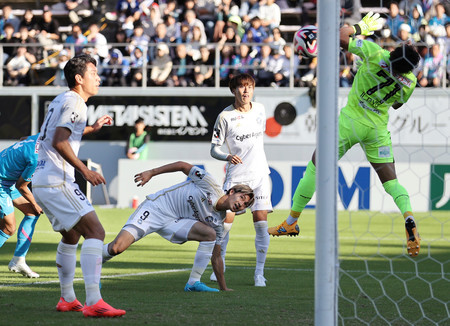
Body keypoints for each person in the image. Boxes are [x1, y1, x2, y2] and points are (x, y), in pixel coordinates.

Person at [268, 12, 422, 258]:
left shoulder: (374, 53)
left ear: (393, 54)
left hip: (349, 123)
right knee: (391, 181)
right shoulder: (410, 81)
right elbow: (396, 105)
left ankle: (291, 221)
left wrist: (359, 28)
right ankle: (409, 215)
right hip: (377, 130)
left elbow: (341, 37)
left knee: (315, 168)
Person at [31, 54, 126, 317]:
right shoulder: (76, 102)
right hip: (57, 180)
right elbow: (60, 141)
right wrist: (84, 170)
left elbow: (59, 133)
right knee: (96, 232)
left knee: (71, 235)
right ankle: (94, 301)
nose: (98, 77)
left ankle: (68, 299)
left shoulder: (63, 98)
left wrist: (92, 128)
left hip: (42, 179)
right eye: (93, 72)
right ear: (79, 78)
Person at [102, 161, 255, 292]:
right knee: (117, 248)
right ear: (232, 191)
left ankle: (193, 283)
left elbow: (216, 257)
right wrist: (151, 172)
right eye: (241, 198)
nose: (241, 204)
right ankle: (94, 259)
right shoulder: (210, 184)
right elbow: (182, 166)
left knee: (210, 234)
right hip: (157, 208)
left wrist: (224, 288)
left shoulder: (218, 222)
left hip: (174, 222)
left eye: (245, 204)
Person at [209, 73, 272, 287]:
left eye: (249, 87)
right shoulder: (225, 117)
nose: (246, 91)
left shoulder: (260, 110)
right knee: (225, 225)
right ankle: (220, 262)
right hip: (236, 176)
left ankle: (259, 274)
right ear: (233, 90)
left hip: (260, 175)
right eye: (242, 87)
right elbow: (214, 149)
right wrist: (227, 156)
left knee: (261, 224)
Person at [0, 134, 42, 278]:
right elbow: (22, 186)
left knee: (32, 213)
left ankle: (19, 260)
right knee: (9, 228)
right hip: (2, 183)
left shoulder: (39, 137)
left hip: (8, 181)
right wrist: (35, 203)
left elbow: (23, 139)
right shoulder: (35, 158)